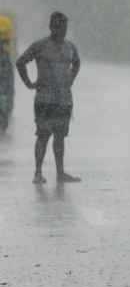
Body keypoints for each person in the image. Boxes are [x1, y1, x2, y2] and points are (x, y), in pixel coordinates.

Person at [16, 12, 81, 185]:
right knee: (43, 135)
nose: (63, 31)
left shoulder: (70, 47)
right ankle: (38, 172)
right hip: (45, 100)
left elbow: (77, 63)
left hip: (64, 101)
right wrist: (29, 83)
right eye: (60, 27)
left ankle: (60, 172)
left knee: (60, 136)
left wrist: (71, 79)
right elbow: (20, 62)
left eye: (65, 28)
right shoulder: (40, 46)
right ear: (52, 27)